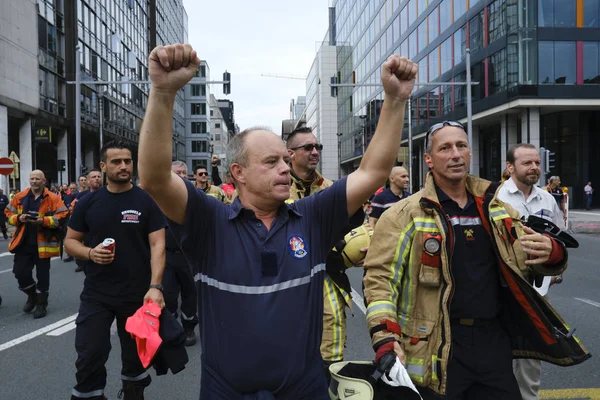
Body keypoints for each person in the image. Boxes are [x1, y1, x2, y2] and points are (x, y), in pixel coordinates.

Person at [138, 43, 417, 398]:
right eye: (271, 162)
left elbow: (374, 171)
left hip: (305, 389)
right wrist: (163, 91)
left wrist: (394, 100)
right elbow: (155, 178)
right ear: (237, 172)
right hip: (226, 392)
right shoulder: (209, 222)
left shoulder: (313, 216)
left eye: (286, 160)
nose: (286, 168)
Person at [363, 121, 590, 400]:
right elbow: (379, 281)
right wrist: (385, 337)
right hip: (437, 347)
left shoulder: (496, 209)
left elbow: (532, 261)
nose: (455, 154)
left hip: (492, 343)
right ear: (429, 159)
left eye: (461, 146)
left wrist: (553, 253)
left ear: (470, 153)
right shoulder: (402, 215)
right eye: (445, 148)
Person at [64, 140, 166, 400]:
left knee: (135, 359)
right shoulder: (88, 203)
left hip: (136, 295)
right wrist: (89, 253)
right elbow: (70, 241)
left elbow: (158, 245)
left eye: (127, 161)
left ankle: (134, 393)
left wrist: (155, 287)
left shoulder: (146, 201)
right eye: (116, 161)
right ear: (103, 166)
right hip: (96, 293)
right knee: (89, 353)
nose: (123, 166)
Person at [286, 126, 366, 380]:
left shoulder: (332, 189)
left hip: (329, 275)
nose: (315, 152)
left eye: (317, 147)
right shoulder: (275, 187)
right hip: (285, 278)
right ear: (291, 154)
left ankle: (328, 376)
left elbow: (352, 232)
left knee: (332, 325)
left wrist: (354, 251)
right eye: (307, 147)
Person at [497, 143, 565, 400]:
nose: (534, 167)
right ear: (510, 167)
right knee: (500, 349)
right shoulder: (497, 197)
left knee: (532, 355)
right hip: (503, 287)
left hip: (538, 290)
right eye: (527, 163)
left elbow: (559, 240)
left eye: (537, 162)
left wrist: (556, 268)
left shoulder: (548, 199)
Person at [4, 170, 68, 318]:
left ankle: (41, 304)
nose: (34, 181)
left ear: (43, 181)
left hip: (43, 243)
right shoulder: (20, 197)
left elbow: (63, 215)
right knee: (19, 272)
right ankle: (32, 295)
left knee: (43, 276)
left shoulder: (52, 197)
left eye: (37, 179)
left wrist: (44, 221)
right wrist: (20, 218)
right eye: (32, 178)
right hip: (23, 241)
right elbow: (8, 214)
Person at [164, 160, 199, 347]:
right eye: (178, 173)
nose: (183, 176)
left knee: (190, 294)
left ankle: (188, 328)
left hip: (189, 256)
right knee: (168, 294)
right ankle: (171, 330)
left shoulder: (196, 198)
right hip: (166, 256)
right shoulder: (157, 198)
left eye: (185, 173)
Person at [72, 169, 104, 273]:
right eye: (94, 177)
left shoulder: (107, 193)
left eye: (99, 177)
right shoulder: (82, 196)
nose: (97, 179)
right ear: (88, 181)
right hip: (87, 233)